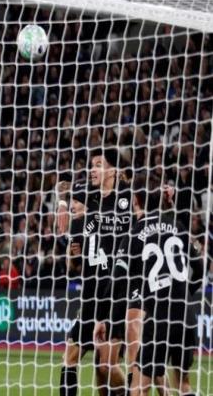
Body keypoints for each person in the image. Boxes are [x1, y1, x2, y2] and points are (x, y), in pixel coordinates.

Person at [94, 173, 203, 396]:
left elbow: (116, 280)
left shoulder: (134, 234)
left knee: (140, 387)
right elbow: (200, 270)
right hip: (187, 316)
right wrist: (184, 293)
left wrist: (102, 317)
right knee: (183, 384)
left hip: (160, 318)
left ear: (135, 199)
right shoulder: (178, 226)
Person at [58, 148, 131, 396]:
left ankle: (134, 391)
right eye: (92, 165)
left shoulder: (126, 199)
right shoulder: (87, 199)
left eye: (99, 164)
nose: (92, 169)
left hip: (114, 295)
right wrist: (72, 254)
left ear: (113, 170)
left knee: (104, 367)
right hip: (89, 295)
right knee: (70, 357)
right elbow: (62, 185)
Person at [61, 180, 108, 395]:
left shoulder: (79, 224)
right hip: (112, 297)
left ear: (87, 202)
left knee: (70, 360)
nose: (73, 206)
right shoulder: (111, 217)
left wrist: (71, 255)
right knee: (104, 367)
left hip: (92, 301)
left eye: (76, 201)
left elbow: (71, 269)